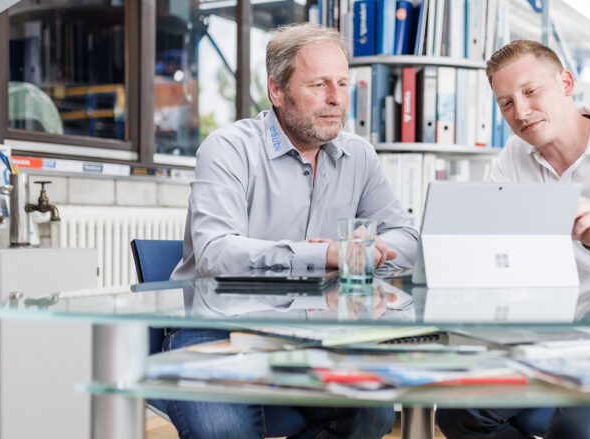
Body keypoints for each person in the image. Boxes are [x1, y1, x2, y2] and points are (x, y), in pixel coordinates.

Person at [165, 22, 418, 439]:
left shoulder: (359, 156)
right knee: (223, 430)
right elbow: (216, 253)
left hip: (312, 327)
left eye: (342, 83)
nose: (336, 98)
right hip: (217, 324)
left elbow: (408, 240)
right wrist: (325, 256)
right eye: (319, 84)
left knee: (372, 412)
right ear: (277, 90)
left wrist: (372, 249)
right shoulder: (228, 148)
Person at [435, 40, 590, 439]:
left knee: (576, 428)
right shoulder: (512, 160)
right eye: (505, 103)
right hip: (550, 343)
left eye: (531, 92)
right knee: (457, 409)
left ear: (566, 83)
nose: (520, 112)